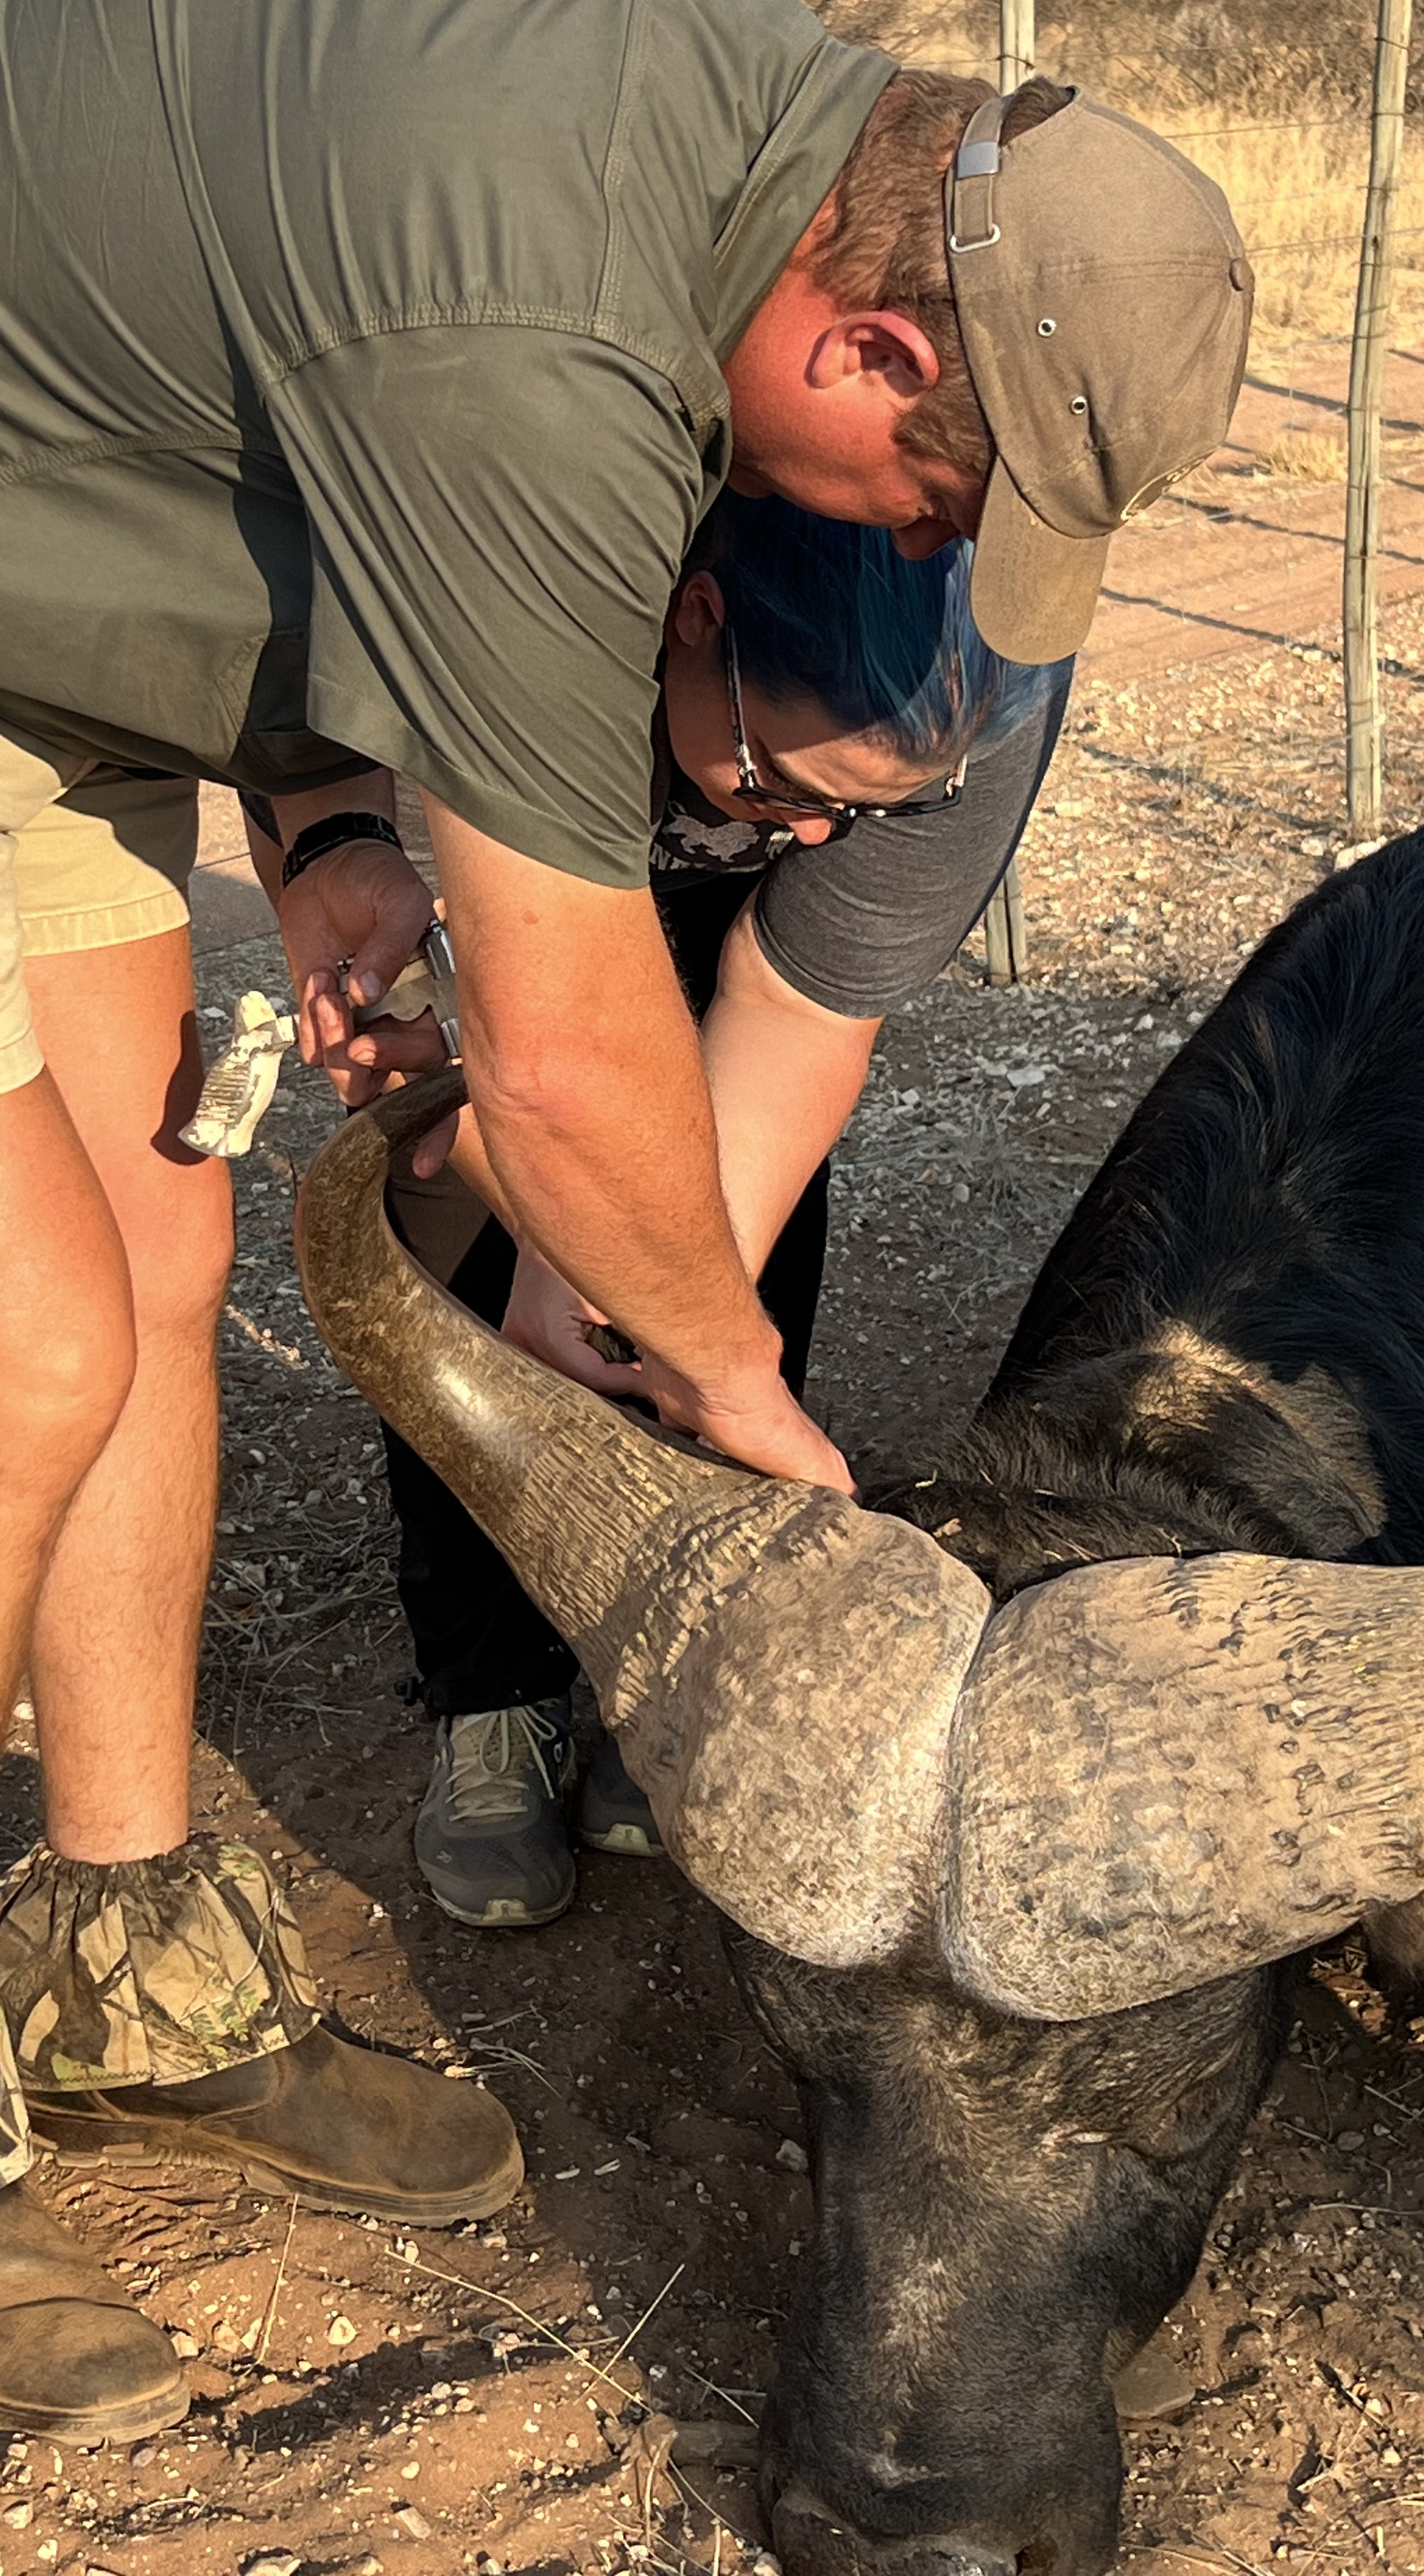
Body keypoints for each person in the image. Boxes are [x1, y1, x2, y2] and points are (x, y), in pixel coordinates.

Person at [0, 0, 1251, 2443]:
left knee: (156, 1282)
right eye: (942, 499)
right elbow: (566, 1044)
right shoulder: (543, 321)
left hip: (7, 547)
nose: (935, 554)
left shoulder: (707, 157)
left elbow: (250, 403)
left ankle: (136, 1961)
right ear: (863, 343)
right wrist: (750, 1411)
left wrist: (313, 833)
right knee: (17, 1342)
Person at [361, 504, 1067, 1926]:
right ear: (689, 620)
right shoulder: (540, 573)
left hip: (720, 906)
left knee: (728, 1263)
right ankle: (490, 1693)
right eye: (781, 775)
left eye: (864, 811)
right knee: (477, 1262)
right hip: (525, 855)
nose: (817, 829)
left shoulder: (979, 699)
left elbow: (796, 1020)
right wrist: (544, 1234)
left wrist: (685, 1329)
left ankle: (658, 1670)